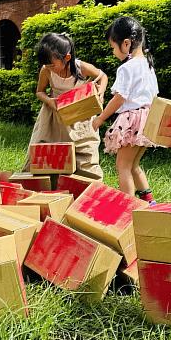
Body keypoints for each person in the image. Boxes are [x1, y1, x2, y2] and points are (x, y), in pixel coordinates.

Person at [92, 16, 159, 203]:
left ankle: (128, 208)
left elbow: (119, 98)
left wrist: (100, 119)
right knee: (133, 164)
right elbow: (154, 94)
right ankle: (149, 201)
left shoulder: (127, 68)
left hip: (133, 120)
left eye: (113, 47)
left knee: (122, 165)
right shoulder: (148, 64)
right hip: (148, 117)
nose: (113, 52)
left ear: (126, 43)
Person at [25, 32, 107, 179]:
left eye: (52, 65)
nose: (49, 68)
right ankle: (45, 183)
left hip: (79, 115)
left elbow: (103, 77)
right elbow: (40, 92)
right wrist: (50, 101)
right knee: (44, 150)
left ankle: (87, 184)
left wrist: (100, 93)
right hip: (54, 116)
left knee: (84, 151)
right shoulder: (46, 70)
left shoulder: (82, 68)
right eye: (46, 65)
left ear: (67, 58)